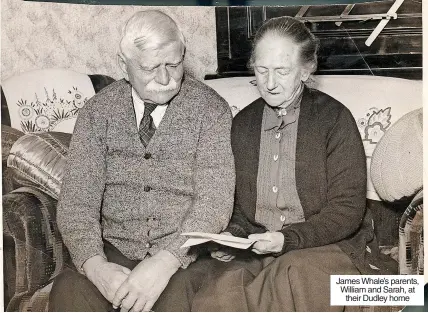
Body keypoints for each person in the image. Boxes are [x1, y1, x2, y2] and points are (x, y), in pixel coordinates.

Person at [190, 16, 398, 312]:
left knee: (295, 275)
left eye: (282, 71)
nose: (270, 83)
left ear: (306, 69)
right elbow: (235, 205)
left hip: (323, 245)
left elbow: (347, 210)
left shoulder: (334, 120)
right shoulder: (243, 124)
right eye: (262, 71)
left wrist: (286, 239)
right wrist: (231, 237)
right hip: (259, 249)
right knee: (221, 292)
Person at [48, 10, 235, 312]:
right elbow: (76, 203)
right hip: (112, 254)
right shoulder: (97, 113)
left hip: (184, 258)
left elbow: (214, 202)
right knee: (70, 294)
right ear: (124, 65)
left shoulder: (211, 110)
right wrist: (96, 267)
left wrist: (167, 261)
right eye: (150, 68)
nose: (164, 79)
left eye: (173, 65)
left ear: (183, 55)